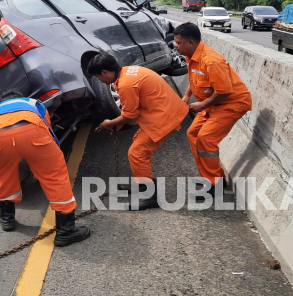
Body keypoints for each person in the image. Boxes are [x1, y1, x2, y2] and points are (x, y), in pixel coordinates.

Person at [0, 96, 90, 247]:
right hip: (32, 129)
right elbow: (47, 129)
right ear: (18, 96)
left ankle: (6, 219)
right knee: (55, 176)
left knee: (3, 175)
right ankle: (66, 232)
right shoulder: (32, 102)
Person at [88, 53, 189, 210]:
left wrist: (109, 123)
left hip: (164, 116)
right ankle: (144, 185)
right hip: (164, 111)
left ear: (104, 72)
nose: (99, 80)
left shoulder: (126, 84)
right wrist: (118, 125)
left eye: (98, 77)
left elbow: (129, 115)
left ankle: (150, 196)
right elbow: (130, 111)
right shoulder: (129, 71)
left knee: (137, 153)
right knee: (138, 146)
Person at [172, 22, 252, 195]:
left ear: (191, 42)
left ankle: (215, 186)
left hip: (232, 103)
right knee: (193, 134)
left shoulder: (212, 61)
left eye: (178, 43)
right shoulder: (192, 55)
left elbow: (225, 91)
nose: (175, 46)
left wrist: (201, 105)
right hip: (214, 103)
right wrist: (187, 95)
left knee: (206, 139)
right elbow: (194, 77)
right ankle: (212, 178)